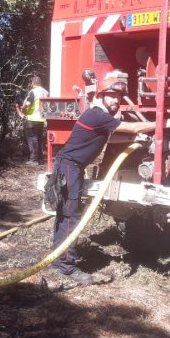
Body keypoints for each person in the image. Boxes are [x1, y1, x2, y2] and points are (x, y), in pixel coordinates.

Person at [51, 70, 155, 285]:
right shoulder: (97, 115)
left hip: (69, 167)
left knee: (64, 213)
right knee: (70, 216)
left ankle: (58, 257)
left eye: (118, 97)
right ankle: (67, 266)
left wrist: (134, 138)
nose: (116, 100)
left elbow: (111, 138)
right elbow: (132, 126)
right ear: (101, 96)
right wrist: (162, 123)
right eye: (112, 96)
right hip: (70, 168)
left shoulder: (98, 117)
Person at [15, 75, 49, 164]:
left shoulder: (33, 92)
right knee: (39, 139)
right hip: (41, 120)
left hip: (31, 119)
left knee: (32, 140)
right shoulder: (46, 92)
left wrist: (22, 111)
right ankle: (39, 158)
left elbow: (28, 104)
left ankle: (34, 160)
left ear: (32, 83)